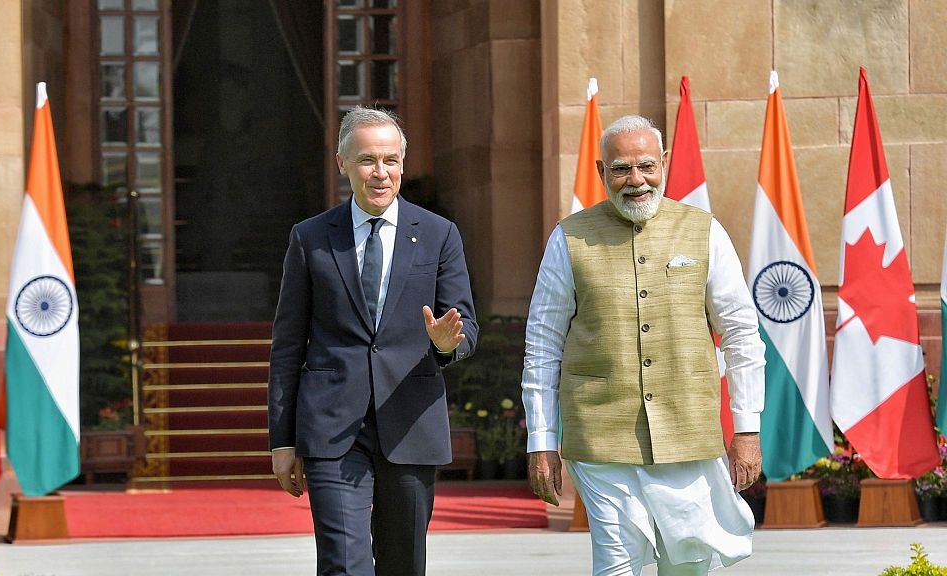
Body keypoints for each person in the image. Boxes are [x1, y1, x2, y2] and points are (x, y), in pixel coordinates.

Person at [522, 114, 765, 575]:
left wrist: (747, 430)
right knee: (618, 562)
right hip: (600, 436)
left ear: (665, 164)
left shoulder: (705, 230)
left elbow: (741, 335)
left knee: (687, 565)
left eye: (646, 166)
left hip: (689, 432)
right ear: (601, 172)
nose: (636, 180)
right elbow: (542, 345)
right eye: (621, 169)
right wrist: (541, 440)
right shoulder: (568, 238)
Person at [268, 106, 478, 576]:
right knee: (344, 565)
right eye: (367, 160)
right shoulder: (310, 238)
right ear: (342, 164)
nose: (380, 173)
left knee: (403, 566)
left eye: (390, 160)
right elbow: (286, 345)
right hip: (333, 428)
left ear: (403, 164)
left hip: (410, 424)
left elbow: (467, 328)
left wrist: (446, 343)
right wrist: (282, 440)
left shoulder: (440, 235)